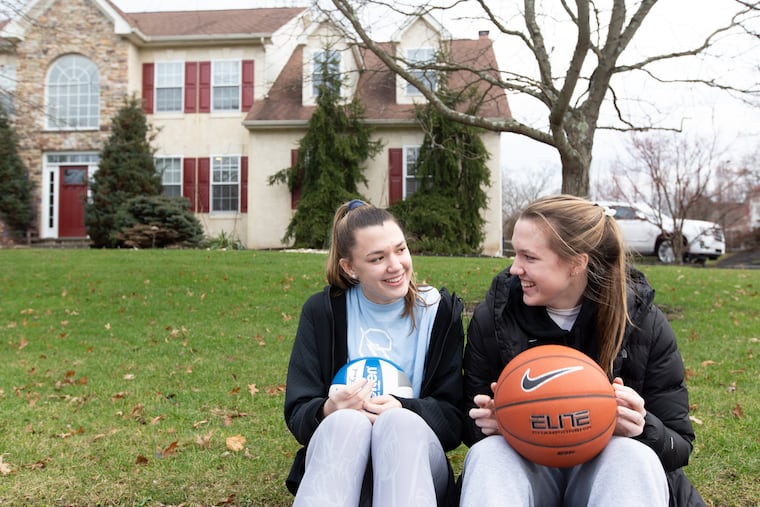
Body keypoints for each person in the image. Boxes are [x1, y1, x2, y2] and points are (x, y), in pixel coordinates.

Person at [460, 195, 705, 507]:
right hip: (531, 471)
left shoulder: (641, 321)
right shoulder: (494, 316)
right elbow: (466, 422)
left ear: (577, 262)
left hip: (605, 473)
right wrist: (489, 423)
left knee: (631, 454)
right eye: (515, 253)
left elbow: (679, 444)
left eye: (529, 258)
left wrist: (643, 426)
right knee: (489, 453)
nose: (514, 268)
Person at [284, 199, 465, 506]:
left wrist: (404, 408)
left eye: (401, 249)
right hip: (341, 458)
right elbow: (299, 412)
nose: (395, 265)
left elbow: (453, 421)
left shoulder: (439, 312)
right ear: (350, 268)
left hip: (416, 466)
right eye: (377, 258)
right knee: (345, 423)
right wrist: (328, 410)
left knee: (399, 424)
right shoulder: (323, 311)